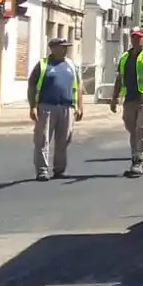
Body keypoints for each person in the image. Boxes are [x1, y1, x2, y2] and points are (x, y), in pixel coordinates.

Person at [27, 36, 83, 182]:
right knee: (42, 139)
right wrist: (33, 106)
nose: (65, 50)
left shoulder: (71, 65)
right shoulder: (43, 65)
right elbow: (32, 85)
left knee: (63, 140)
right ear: (53, 49)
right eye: (62, 47)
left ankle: (59, 170)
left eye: (66, 47)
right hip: (46, 107)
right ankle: (42, 170)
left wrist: (80, 106)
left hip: (67, 107)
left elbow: (78, 85)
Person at [111, 28, 143, 178]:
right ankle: (135, 156)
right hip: (130, 98)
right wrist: (114, 97)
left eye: (139, 37)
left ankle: (139, 161)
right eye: (133, 37)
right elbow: (119, 78)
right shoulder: (125, 56)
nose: (136, 40)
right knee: (132, 129)